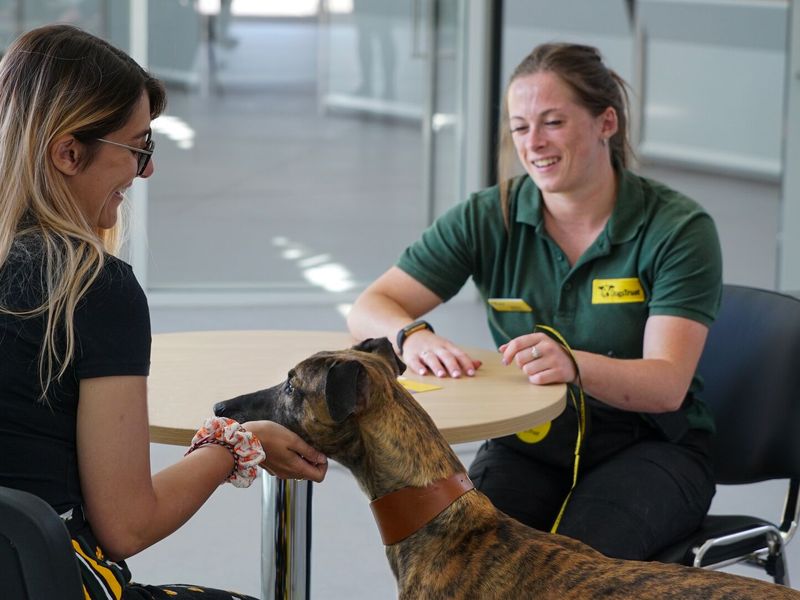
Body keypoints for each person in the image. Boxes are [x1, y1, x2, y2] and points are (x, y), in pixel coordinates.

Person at [347, 42, 722, 561]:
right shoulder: (489, 216)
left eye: (553, 122)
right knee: (457, 558)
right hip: (528, 442)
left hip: (651, 446)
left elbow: (666, 385)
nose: (534, 143)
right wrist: (411, 336)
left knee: (566, 571)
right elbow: (372, 303)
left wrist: (573, 364)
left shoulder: (677, 229)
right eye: (520, 127)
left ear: (605, 122)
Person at [0, 25, 328, 599]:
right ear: (68, 152)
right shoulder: (92, 289)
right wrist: (235, 444)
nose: (146, 171)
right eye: (138, 147)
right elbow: (127, 524)